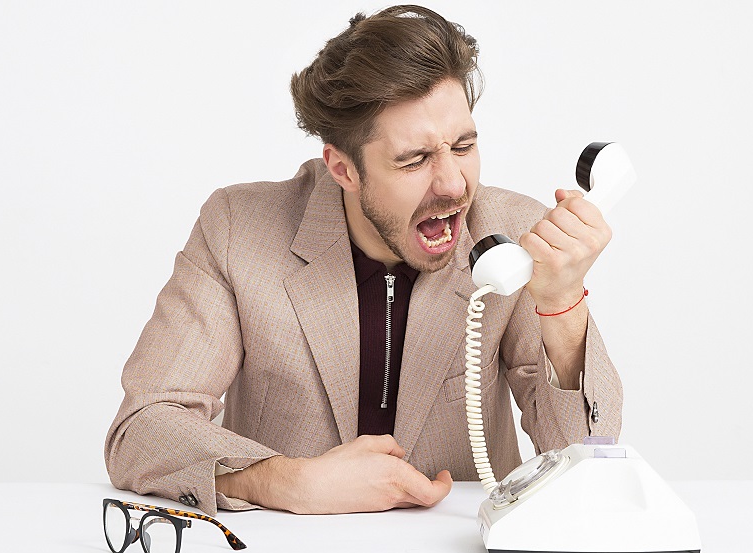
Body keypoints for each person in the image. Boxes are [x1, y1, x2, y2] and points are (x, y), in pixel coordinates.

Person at [104, 4, 622, 516]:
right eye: (414, 160)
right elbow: (142, 428)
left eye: (463, 146)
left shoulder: (511, 233)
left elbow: (588, 459)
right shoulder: (238, 227)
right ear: (343, 169)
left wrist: (561, 305)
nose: (453, 184)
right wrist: (287, 482)